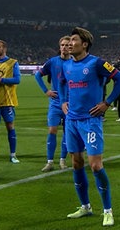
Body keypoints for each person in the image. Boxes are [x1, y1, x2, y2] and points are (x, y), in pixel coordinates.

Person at [59, 27, 120, 227]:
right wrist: (63, 101)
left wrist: (107, 103)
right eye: (69, 41)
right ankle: (85, 207)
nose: (70, 44)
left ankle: (107, 210)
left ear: (84, 44)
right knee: (77, 163)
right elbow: (62, 83)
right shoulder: (67, 65)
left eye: (73, 40)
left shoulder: (97, 63)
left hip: (90, 121)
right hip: (71, 120)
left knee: (96, 165)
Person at [34, 36, 70, 172]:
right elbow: (38, 75)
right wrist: (46, 90)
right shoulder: (53, 62)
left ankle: (62, 159)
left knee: (67, 132)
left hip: (69, 104)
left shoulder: (74, 63)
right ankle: (50, 162)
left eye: (67, 45)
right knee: (52, 130)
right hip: (55, 103)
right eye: (62, 45)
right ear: (59, 47)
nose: (65, 47)